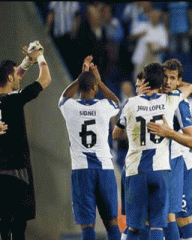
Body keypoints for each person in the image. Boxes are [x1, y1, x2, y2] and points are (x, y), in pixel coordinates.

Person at [114, 63, 184, 240]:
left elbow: (116, 134)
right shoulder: (169, 100)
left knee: (134, 227)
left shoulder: (130, 103)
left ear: (143, 81)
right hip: (160, 171)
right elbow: (187, 88)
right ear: (161, 83)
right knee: (157, 227)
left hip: (136, 171)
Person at [58, 56, 121, 240]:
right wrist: (98, 80)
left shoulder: (70, 107)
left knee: (87, 225)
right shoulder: (103, 107)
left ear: (80, 87)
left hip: (81, 171)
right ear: (94, 88)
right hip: (104, 169)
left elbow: (63, 97)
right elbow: (116, 102)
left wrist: (81, 76)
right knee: (112, 224)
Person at [147, 58, 192, 240]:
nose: (168, 82)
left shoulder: (180, 103)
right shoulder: (159, 99)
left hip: (181, 164)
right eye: (165, 77)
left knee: (181, 217)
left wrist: (169, 132)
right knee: (168, 216)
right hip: (164, 164)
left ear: (179, 80)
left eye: (173, 78)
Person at [0, 41, 51, 240]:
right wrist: (39, 58)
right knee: (19, 229)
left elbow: (16, 77)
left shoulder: (9, 96)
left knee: (3, 228)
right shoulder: (14, 99)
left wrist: (26, 62)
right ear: (9, 77)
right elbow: (45, 79)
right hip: (17, 173)